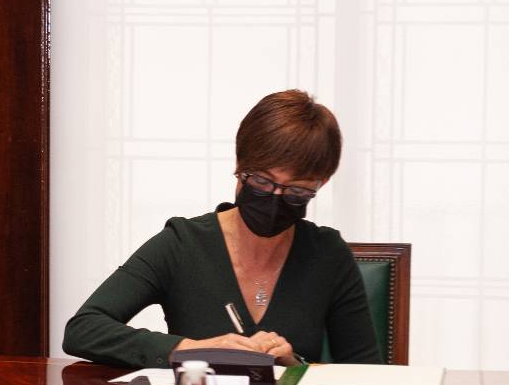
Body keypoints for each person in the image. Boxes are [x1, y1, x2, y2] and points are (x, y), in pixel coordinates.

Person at [63, 89, 380, 368]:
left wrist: (294, 366)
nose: (275, 198)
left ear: (320, 184)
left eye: (296, 190)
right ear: (240, 166)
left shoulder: (326, 254)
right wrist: (191, 349)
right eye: (261, 181)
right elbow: (84, 329)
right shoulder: (183, 244)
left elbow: (369, 375)